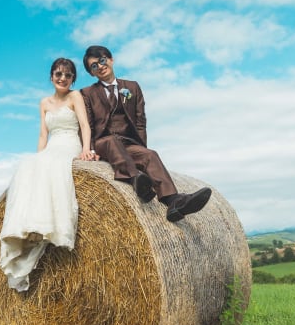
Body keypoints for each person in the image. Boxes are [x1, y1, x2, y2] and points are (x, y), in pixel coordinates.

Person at [79, 45, 211, 222]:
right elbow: (86, 124)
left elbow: (140, 121)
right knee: (111, 141)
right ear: (91, 73)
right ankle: (136, 179)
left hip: (128, 142)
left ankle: (174, 202)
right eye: (94, 66)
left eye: (102, 60)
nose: (100, 66)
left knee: (150, 155)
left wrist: (141, 148)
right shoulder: (87, 93)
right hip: (104, 142)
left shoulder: (132, 87)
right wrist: (91, 150)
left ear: (111, 60)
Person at [0, 58, 98, 292]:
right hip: (52, 146)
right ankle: (30, 226)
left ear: (73, 79)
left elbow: (85, 125)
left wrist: (86, 149)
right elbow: (43, 135)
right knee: (30, 164)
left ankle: (52, 227)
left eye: (68, 75)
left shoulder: (75, 97)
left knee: (53, 164)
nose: (63, 78)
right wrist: (39, 158)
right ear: (51, 76)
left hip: (69, 144)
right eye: (58, 74)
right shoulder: (44, 102)